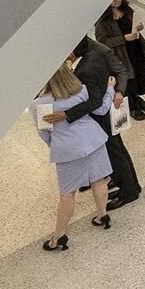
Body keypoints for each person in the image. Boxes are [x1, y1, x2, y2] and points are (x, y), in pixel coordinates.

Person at [33, 57, 114, 250]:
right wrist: (110, 89)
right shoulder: (81, 91)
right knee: (99, 180)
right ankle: (102, 214)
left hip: (67, 150)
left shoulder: (40, 104)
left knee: (67, 195)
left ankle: (59, 235)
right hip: (94, 140)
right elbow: (101, 108)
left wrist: (57, 145)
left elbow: (43, 132)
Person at [71, 31, 140, 206]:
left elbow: (96, 102)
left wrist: (68, 114)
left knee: (115, 152)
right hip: (107, 108)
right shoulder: (93, 56)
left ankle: (129, 191)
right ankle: (129, 184)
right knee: (117, 149)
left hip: (104, 114)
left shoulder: (88, 66)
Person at [95, 0, 145, 119]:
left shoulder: (126, 10)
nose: (117, 0)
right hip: (120, 54)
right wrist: (124, 38)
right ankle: (132, 107)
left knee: (140, 74)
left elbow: (132, 25)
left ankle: (136, 97)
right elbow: (102, 41)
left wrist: (138, 27)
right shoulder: (102, 20)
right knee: (129, 79)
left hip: (135, 48)